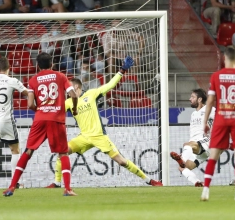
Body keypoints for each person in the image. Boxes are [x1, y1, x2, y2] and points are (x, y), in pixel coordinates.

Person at [46, 56, 163, 188]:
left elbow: (110, 85)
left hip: (99, 136)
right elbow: (55, 111)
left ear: (77, 87)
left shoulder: (91, 94)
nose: (67, 90)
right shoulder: (68, 102)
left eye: (69, 88)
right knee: (62, 152)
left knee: (121, 162)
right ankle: (56, 183)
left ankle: (149, 180)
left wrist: (122, 70)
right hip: (84, 137)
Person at [3, 52, 79, 197]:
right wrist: (74, 109)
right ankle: (68, 189)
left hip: (40, 119)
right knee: (63, 153)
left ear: (38, 66)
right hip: (56, 119)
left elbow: (30, 103)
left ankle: (12, 187)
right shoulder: (61, 76)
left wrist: (41, 110)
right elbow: (73, 95)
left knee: (28, 151)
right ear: (52, 64)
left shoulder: (33, 80)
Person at [200, 46, 235, 202]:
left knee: (213, 156)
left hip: (220, 118)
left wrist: (205, 122)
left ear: (224, 58)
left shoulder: (216, 76)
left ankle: (205, 190)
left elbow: (211, 101)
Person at [0, 57, 29, 188]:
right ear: (9, 67)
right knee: (15, 150)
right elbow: (27, 93)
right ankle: (14, 182)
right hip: (5, 120)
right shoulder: (12, 81)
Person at [169, 89, 215, 187]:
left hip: (206, 142)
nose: (190, 99)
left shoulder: (209, 109)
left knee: (188, 145)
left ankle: (182, 158)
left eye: (192, 97)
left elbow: (222, 118)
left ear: (199, 99)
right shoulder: (193, 114)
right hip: (197, 148)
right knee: (183, 168)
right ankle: (197, 182)